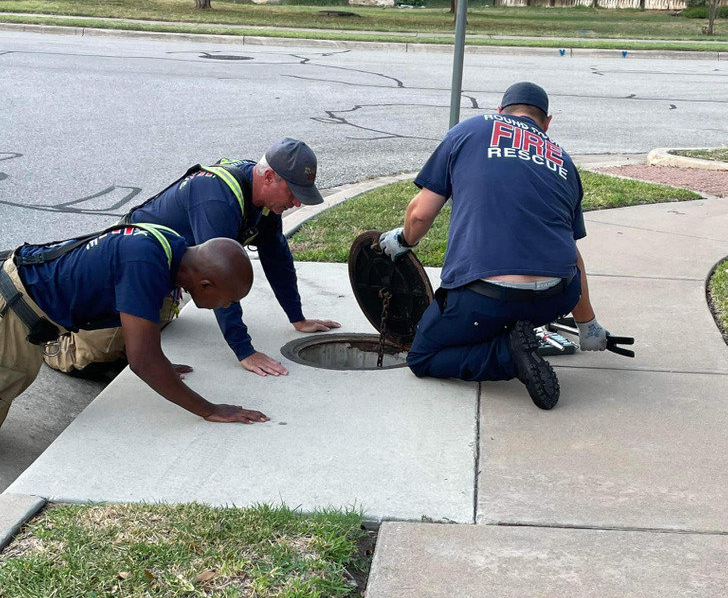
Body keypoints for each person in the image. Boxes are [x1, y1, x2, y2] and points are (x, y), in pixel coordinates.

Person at [377, 82, 610, 410]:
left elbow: (421, 214)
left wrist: (402, 240)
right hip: (553, 297)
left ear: (500, 112)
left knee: (423, 355)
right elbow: (573, 254)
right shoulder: (564, 161)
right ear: (546, 122)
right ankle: (519, 333)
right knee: (517, 307)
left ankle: (507, 355)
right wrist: (588, 325)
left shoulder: (469, 130)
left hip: (484, 296)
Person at [43, 138, 340, 378]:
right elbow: (220, 281)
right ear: (269, 177)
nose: (297, 202)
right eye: (293, 192)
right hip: (131, 267)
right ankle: (49, 341)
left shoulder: (263, 202)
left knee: (147, 332)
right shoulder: (218, 197)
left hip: (170, 275)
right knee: (99, 351)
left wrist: (297, 317)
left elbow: (277, 258)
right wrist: (244, 351)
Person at [0, 222, 269, 428]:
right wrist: (210, 409)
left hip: (24, 298)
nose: (226, 306)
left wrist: (159, 365)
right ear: (205, 284)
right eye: (228, 300)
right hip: (13, 310)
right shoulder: (146, 264)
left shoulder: (169, 247)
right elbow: (143, 362)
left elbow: (141, 346)